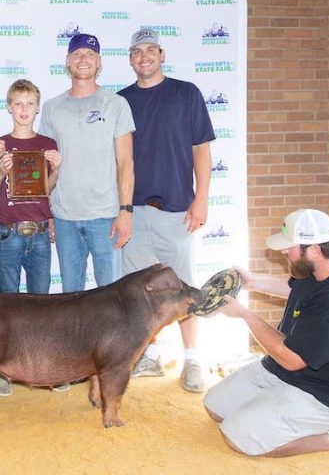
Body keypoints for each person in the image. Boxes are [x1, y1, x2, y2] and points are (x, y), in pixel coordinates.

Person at [204, 209, 329, 456]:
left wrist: (245, 315)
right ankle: (276, 409)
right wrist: (252, 281)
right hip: (288, 370)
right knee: (214, 406)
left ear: (313, 249)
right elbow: (297, 285)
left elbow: (291, 359)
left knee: (237, 438)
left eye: (289, 247)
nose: (283, 252)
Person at [118, 28, 215, 393]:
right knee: (141, 292)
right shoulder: (121, 101)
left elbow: (201, 150)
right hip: (133, 212)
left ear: (162, 54)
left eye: (150, 50)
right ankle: (149, 355)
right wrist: (122, 209)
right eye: (137, 52)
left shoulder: (186, 93)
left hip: (176, 211)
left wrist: (201, 198)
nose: (143, 57)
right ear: (130, 59)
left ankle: (192, 360)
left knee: (184, 290)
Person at [39, 33, 135, 293]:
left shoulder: (116, 104)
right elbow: (45, 166)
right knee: (71, 299)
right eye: (77, 54)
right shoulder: (51, 107)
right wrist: (47, 212)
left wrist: (125, 211)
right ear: (67, 61)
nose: (83, 59)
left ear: (99, 61)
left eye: (90, 54)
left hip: (106, 217)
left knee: (112, 298)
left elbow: (125, 162)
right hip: (64, 218)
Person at [0, 79, 61, 396]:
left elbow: (47, 190)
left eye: (29, 104)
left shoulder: (47, 144)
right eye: (18, 103)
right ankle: (4, 370)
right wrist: (0, 170)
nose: (24, 109)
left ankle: (44, 367)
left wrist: (56, 170)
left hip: (40, 233)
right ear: (9, 107)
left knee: (41, 305)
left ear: (37, 108)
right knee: (7, 304)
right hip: (8, 232)